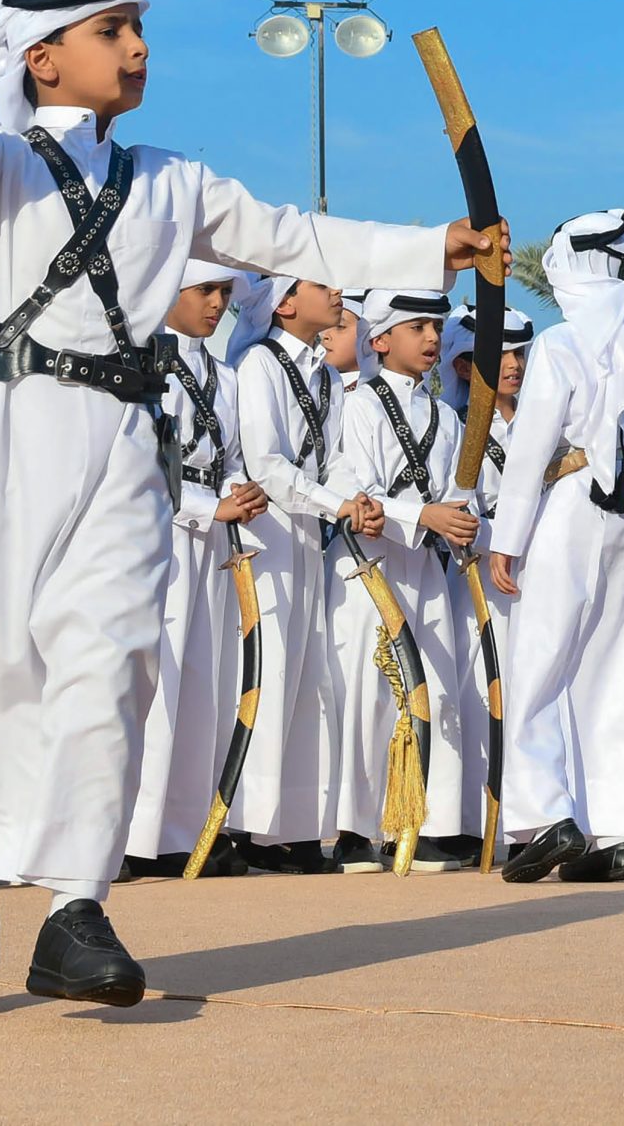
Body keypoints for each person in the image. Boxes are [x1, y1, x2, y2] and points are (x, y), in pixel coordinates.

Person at [0, 0, 490, 1024]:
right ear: (45, 58)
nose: (138, 46)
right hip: (1, 430)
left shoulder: (170, 179)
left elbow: (294, 237)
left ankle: (76, 905)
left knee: (109, 662)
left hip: (118, 438)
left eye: (136, 27)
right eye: (112, 31)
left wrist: (435, 244)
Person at [491, 210, 624, 883]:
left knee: (539, 660)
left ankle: (546, 816)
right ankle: (609, 836)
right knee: (607, 662)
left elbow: (530, 448)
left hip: (573, 497)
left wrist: (506, 539)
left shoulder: (562, 344)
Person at [230, 274, 379, 876]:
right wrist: (334, 503)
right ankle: (251, 827)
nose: (337, 292)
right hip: (264, 532)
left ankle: (293, 827)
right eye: (322, 285)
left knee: (308, 679)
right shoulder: (258, 364)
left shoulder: (322, 374)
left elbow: (333, 457)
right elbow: (265, 462)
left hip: (306, 532)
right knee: (269, 675)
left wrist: (356, 497)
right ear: (285, 303)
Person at [124, 260, 268, 880]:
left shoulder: (225, 375)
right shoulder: (143, 358)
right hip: (162, 533)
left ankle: (184, 832)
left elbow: (231, 455)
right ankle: (133, 835)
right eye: (204, 291)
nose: (215, 305)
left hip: (213, 540)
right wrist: (212, 506)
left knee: (203, 688)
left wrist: (241, 493)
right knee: (159, 684)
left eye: (223, 294)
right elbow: (140, 459)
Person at [331, 287, 481, 873]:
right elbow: (356, 483)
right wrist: (422, 515)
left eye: (435, 328)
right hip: (369, 567)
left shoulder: (445, 416)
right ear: (381, 339)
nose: (430, 338)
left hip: (426, 567)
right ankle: (355, 828)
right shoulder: (357, 404)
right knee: (370, 694)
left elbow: (452, 492)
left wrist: (458, 519)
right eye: (417, 326)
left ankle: (432, 823)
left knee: (438, 688)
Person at [445, 299, 532, 857]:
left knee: (528, 697)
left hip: (533, 578)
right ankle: (473, 825)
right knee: (477, 698)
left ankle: (527, 822)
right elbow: (458, 511)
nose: (514, 364)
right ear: (463, 364)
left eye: (519, 352)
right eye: (500, 353)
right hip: (474, 578)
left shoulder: (543, 423)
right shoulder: (453, 427)